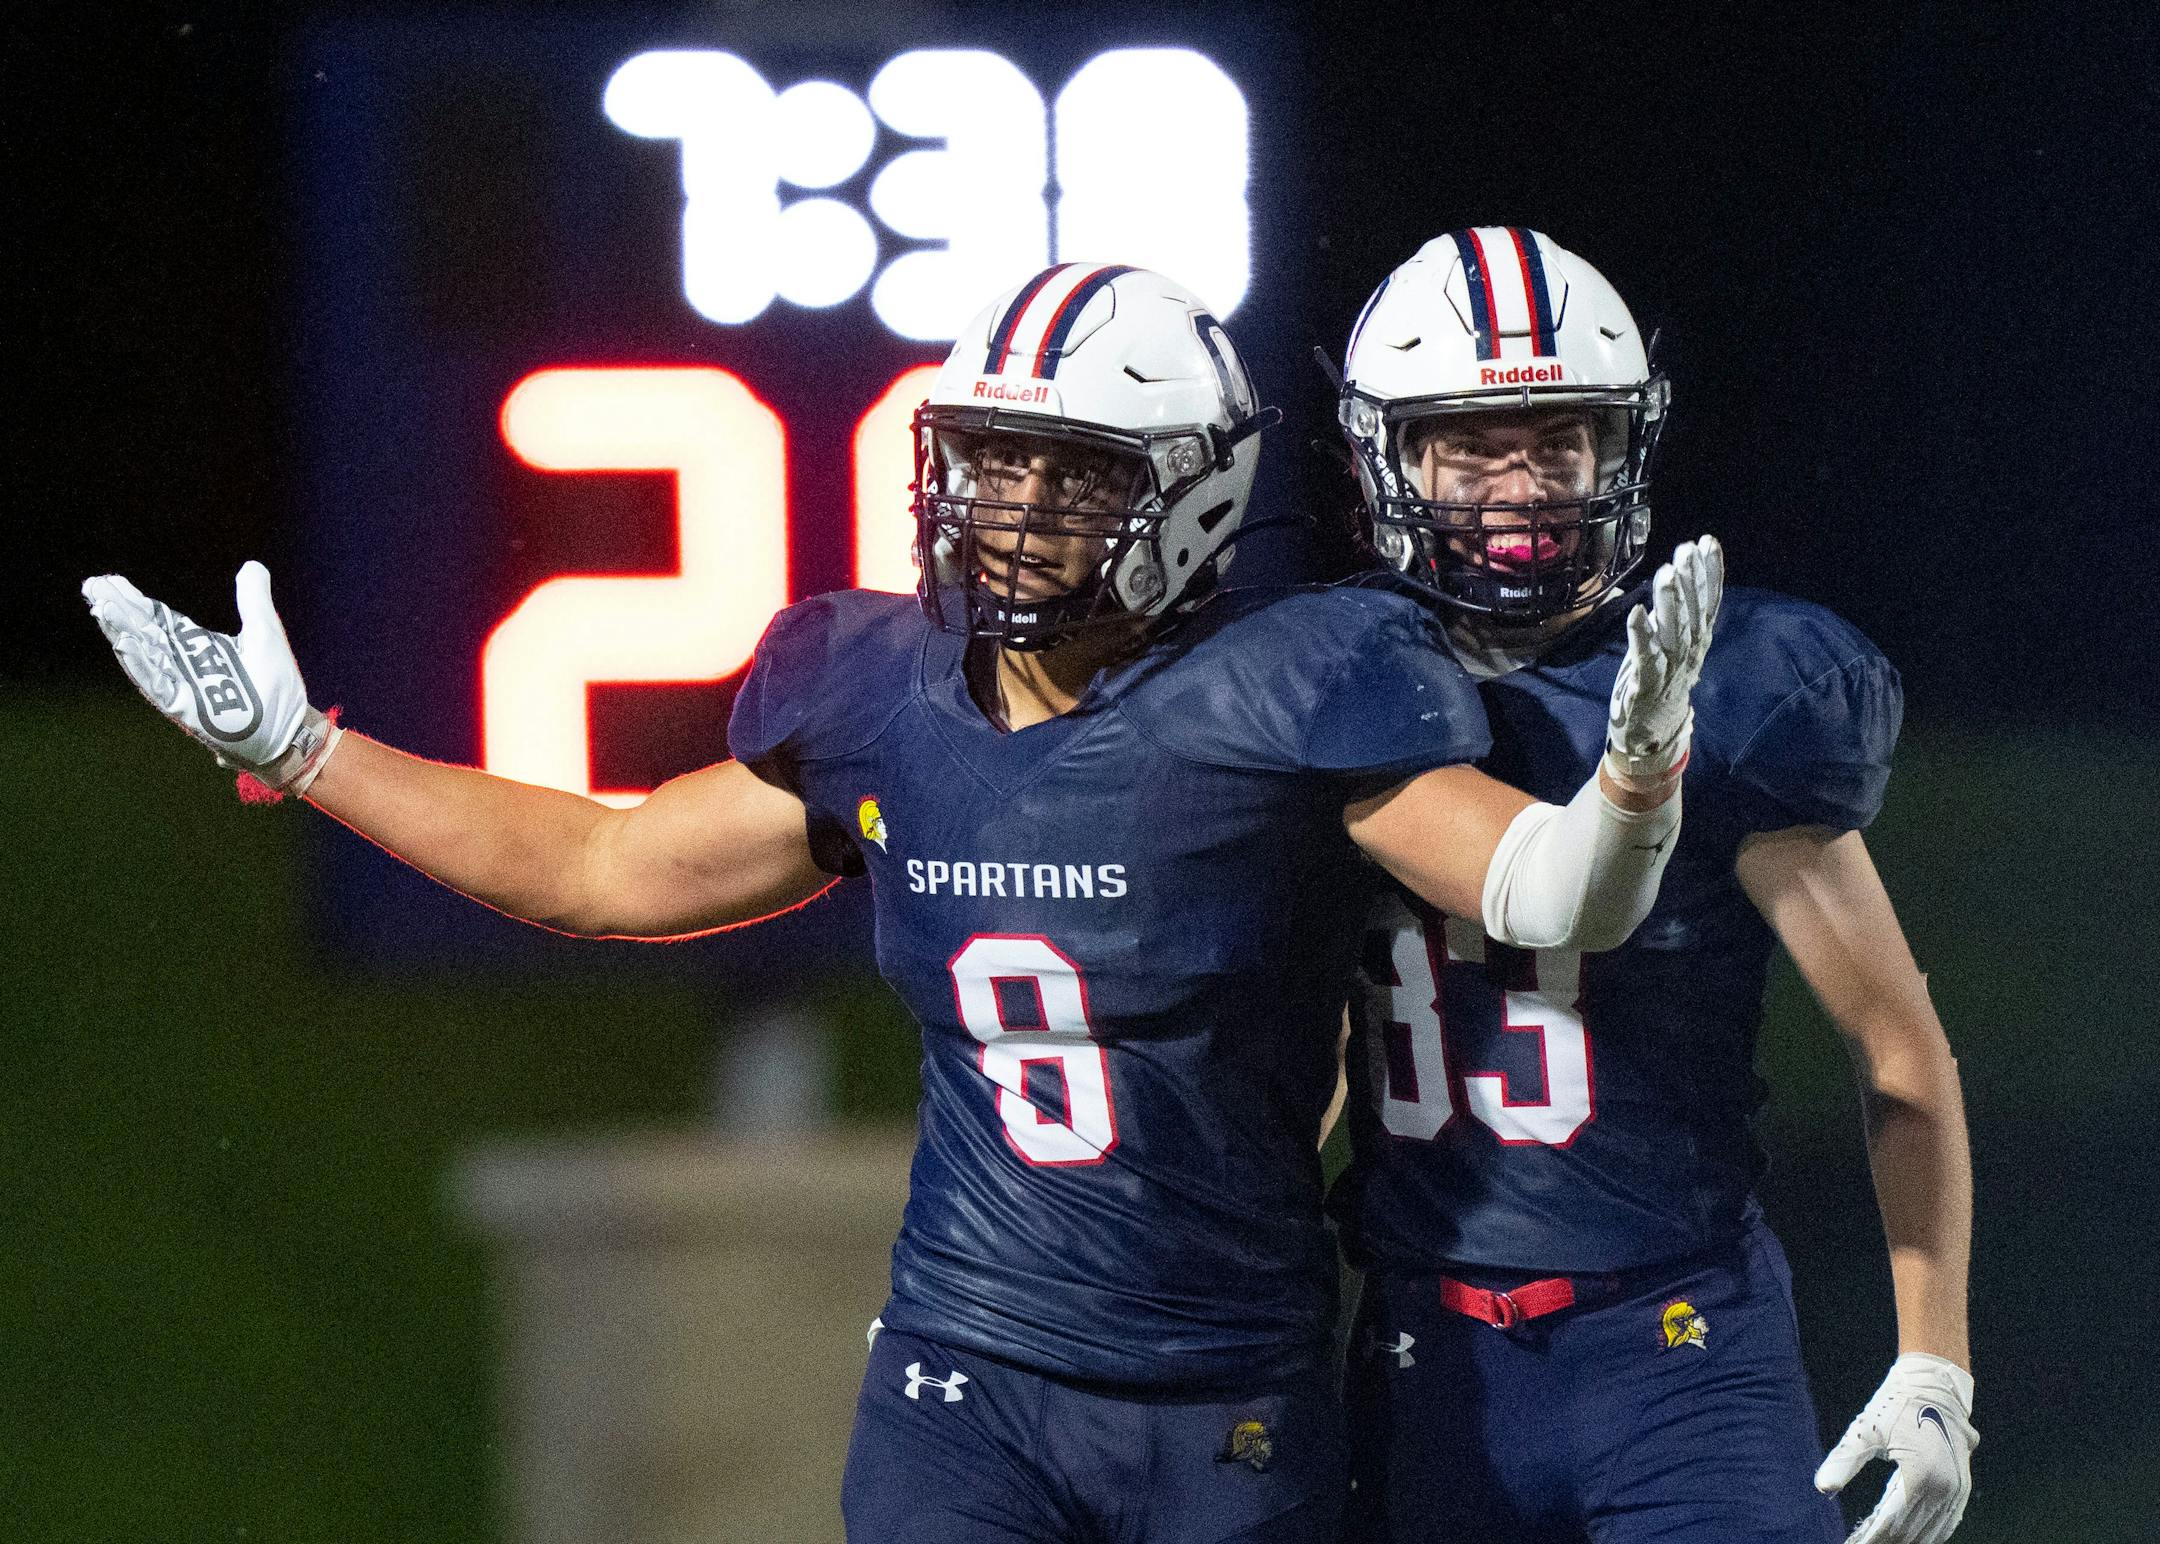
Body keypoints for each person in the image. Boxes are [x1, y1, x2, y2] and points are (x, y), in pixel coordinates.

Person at [84, 262, 1719, 1544]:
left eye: (1069, 476)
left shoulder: (1292, 691)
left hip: (1230, 1394)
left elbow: (1552, 890)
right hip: (969, 1379)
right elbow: (600, 869)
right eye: (989, 461)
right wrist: (308, 752)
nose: (1010, 511)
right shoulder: (882, 699)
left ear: (1196, 493)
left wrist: (1633, 780)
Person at [1327, 228, 1975, 1544]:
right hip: (1424, 1350)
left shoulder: (1731, 685)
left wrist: (1936, 1362)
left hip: (1678, 1351)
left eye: (1560, 441)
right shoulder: (1320, 686)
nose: (1522, 483)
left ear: (1622, 450)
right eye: (1472, 444)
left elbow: (1895, 1037)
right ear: (1386, 457)